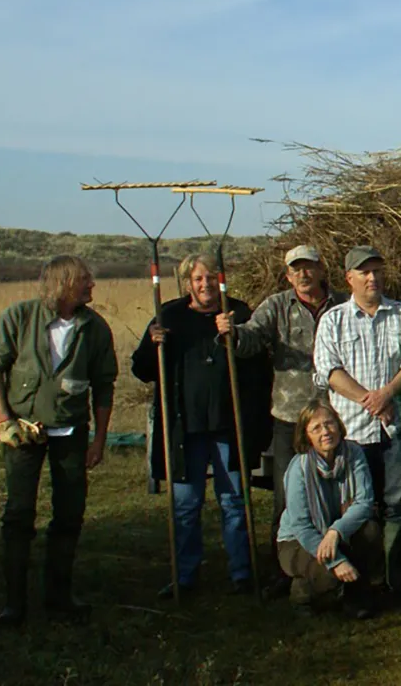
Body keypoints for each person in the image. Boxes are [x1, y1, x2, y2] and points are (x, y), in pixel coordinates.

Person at [0, 255, 116, 626]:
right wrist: (3, 419)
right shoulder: (20, 317)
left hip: (72, 433)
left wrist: (100, 439)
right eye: (84, 281)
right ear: (63, 283)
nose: (91, 286)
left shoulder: (95, 328)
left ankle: (59, 596)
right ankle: (13, 603)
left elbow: (105, 386)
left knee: (70, 513)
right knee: (18, 514)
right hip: (23, 433)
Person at [221, 243, 346, 597]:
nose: (303, 275)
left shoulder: (340, 305)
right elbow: (250, 341)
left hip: (336, 418)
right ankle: (283, 569)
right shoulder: (277, 306)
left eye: (309, 268)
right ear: (288, 275)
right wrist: (231, 332)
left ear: (322, 270)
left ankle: (338, 563)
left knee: (339, 494)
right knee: (286, 499)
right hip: (290, 420)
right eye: (296, 270)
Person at [131, 253, 255, 598]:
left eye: (211, 279)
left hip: (227, 426)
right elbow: (142, 370)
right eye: (198, 280)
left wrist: (236, 336)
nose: (206, 286)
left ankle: (242, 574)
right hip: (184, 431)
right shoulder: (169, 316)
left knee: (234, 502)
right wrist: (152, 344)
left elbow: (257, 361)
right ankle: (185, 576)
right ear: (188, 283)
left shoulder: (237, 312)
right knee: (186, 506)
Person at [312, 245, 401, 594]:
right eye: (364, 272)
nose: (372, 278)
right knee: (360, 508)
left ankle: (392, 575)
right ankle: (365, 580)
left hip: (396, 427)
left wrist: (388, 394)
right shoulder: (334, 319)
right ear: (349, 278)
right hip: (352, 431)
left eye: (377, 271)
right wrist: (370, 401)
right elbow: (329, 371)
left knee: (397, 505)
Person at [276, 400, 382, 619]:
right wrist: (337, 562)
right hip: (297, 541)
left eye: (329, 423)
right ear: (307, 436)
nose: (325, 431)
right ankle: (302, 594)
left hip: (336, 533)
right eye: (316, 428)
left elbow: (364, 501)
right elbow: (301, 525)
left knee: (371, 530)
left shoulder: (354, 453)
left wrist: (335, 531)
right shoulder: (299, 468)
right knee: (328, 574)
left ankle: (355, 597)